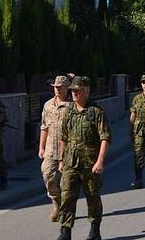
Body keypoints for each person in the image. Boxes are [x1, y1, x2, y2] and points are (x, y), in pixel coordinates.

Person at [57, 76, 111, 240]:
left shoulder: (96, 112)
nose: (74, 93)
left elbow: (105, 138)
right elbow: (63, 137)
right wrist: (61, 160)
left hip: (90, 163)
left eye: (78, 90)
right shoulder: (69, 111)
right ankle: (65, 232)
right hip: (70, 162)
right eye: (73, 90)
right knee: (66, 196)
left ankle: (95, 230)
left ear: (86, 91)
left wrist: (100, 160)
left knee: (92, 196)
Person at [39, 75, 72, 222]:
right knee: (48, 175)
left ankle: (67, 208)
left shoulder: (72, 106)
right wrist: (41, 147)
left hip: (69, 149)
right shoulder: (48, 105)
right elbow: (44, 127)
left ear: (67, 89)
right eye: (55, 87)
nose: (57, 90)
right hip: (51, 148)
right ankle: (56, 204)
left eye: (60, 87)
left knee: (68, 182)